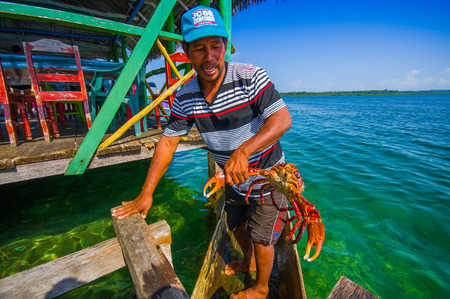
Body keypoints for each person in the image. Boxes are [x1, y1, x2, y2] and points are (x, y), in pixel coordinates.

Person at [112, 5, 292, 299]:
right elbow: (168, 142)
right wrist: (146, 193)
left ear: (225, 46)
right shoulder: (185, 96)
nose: (209, 56)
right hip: (231, 179)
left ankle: (260, 289)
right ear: (186, 51)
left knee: (262, 235)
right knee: (234, 223)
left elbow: (282, 119)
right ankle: (247, 261)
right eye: (198, 48)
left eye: (215, 46)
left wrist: (244, 150)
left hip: (268, 176)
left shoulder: (250, 77)